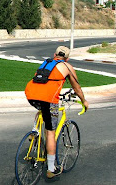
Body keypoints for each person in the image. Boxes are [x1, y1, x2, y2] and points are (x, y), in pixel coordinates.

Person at [25, 46, 89, 179]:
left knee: (42, 109)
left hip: (30, 93)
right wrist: (84, 101)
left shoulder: (47, 62)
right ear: (67, 58)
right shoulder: (67, 66)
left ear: (54, 54)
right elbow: (76, 87)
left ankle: (35, 130)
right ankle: (51, 168)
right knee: (50, 132)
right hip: (48, 98)